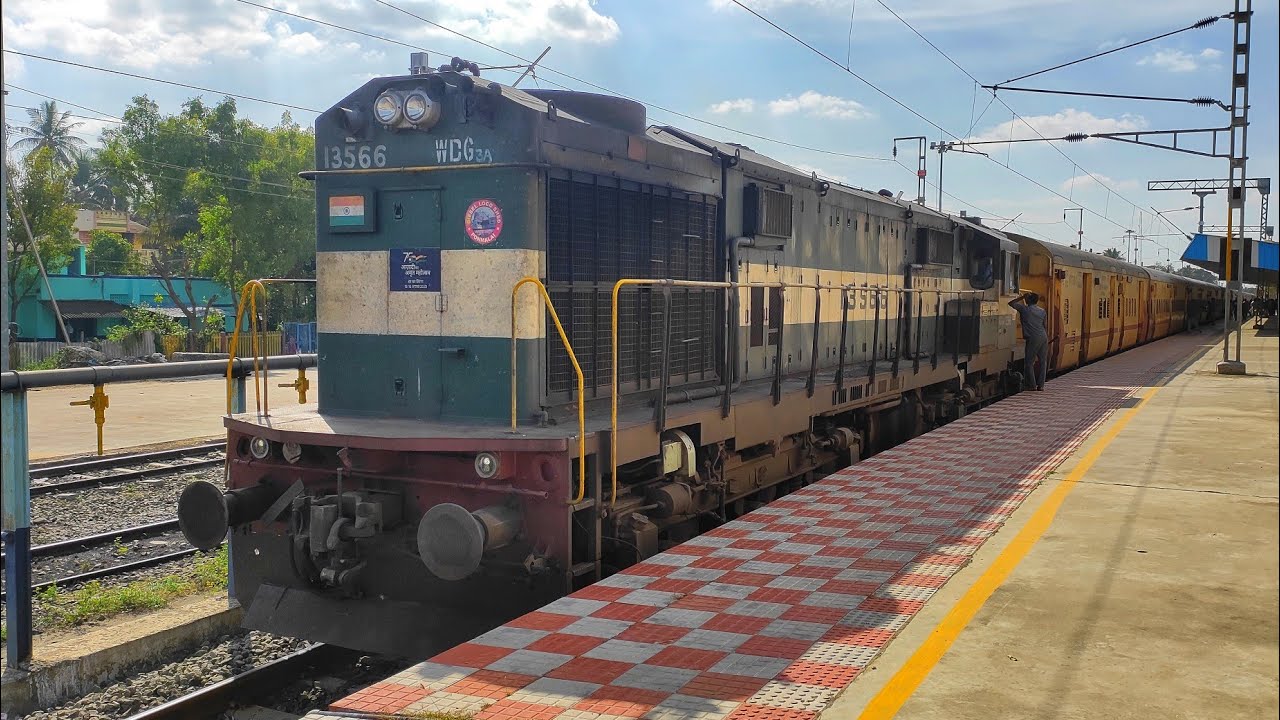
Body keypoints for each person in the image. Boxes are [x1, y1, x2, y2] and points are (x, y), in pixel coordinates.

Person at [1009, 291, 1048, 391]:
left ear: (1028, 300)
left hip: (1032, 337)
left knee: (1029, 362)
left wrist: (1021, 297)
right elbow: (1045, 325)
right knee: (1043, 362)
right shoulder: (1042, 311)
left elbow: (1011, 303)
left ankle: (1032, 385)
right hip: (1043, 336)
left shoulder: (1024, 309)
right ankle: (1041, 385)